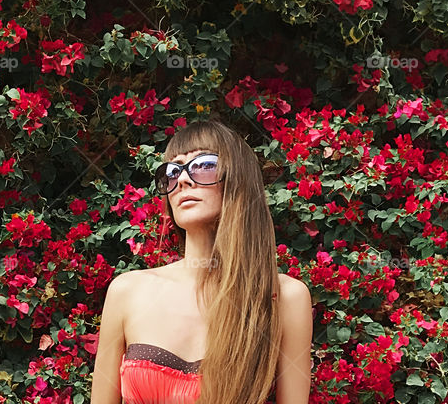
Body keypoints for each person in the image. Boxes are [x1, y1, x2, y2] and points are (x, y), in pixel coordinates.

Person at [90, 119, 313, 404]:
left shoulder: (284, 297)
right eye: (172, 172)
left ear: (238, 178)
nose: (182, 180)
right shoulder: (127, 291)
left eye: (203, 165)